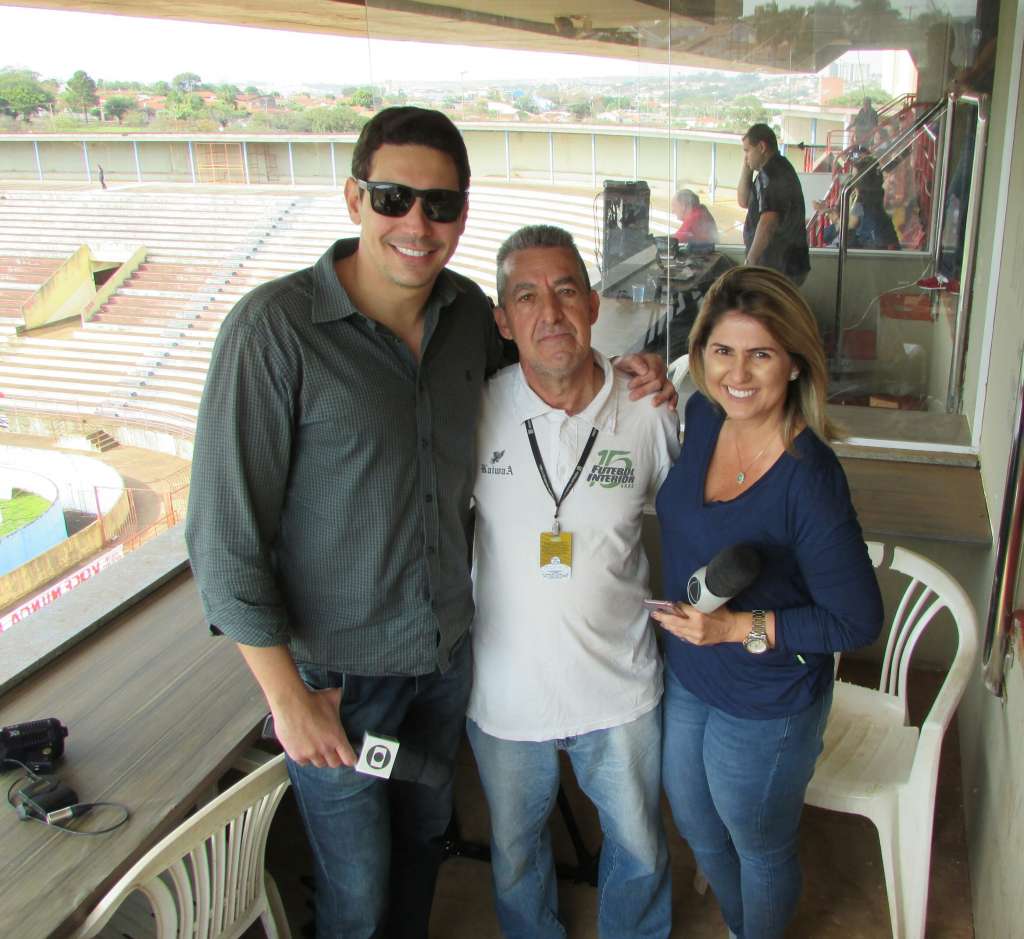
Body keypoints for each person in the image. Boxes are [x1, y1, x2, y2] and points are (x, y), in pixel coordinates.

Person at [185, 106, 672, 939]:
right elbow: (223, 535)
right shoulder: (275, 331)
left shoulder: (463, 323)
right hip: (339, 679)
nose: (417, 222)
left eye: (439, 204)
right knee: (356, 891)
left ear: (461, 214)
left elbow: (551, 369)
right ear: (354, 198)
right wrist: (286, 696)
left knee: (422, 851)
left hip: (444, 666)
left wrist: (637, 366)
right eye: (393, 197)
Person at [650, 266, 883, 938]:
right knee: (695, 820)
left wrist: (730, 628)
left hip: (768, 695)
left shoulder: (809, 478)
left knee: (760, 842)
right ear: (701, 355)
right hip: (691, 672)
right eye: (722, 351)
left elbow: (856, 619)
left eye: (761, 353)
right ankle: (739, 922)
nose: (738, 373)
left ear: (795, 363)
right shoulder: (701, 413)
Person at [467, 225, 679, 939]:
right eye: (526, 296)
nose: (549, 312)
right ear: (503, 320)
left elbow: (695, 520)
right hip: (504, 692)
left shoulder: (649, 408)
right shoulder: (474, 410)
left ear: (593, 303)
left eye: (565, 291)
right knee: (515, 856)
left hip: (618, 686)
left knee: (642, 847)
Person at [737, 124, 810, 285]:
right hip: (783, 264)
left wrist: (750, 262)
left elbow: (769, 221)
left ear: (762, 147)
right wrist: (747, 166)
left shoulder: (771, 174)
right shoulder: (773, 169)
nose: (746, 156)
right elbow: (743, 201)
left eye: (747, 150)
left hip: (779, 266)